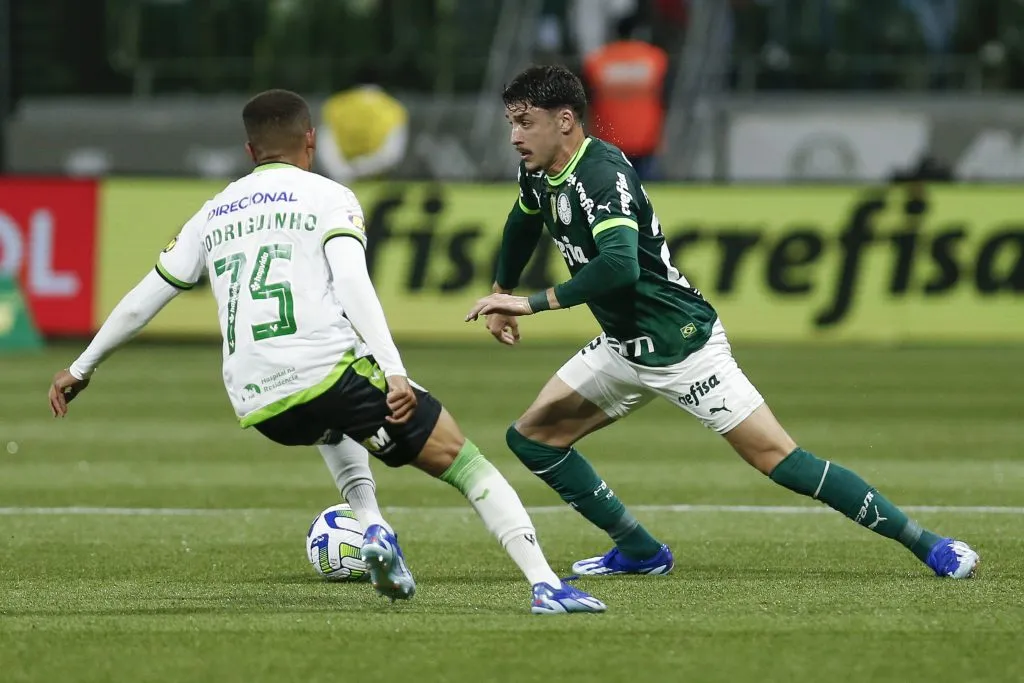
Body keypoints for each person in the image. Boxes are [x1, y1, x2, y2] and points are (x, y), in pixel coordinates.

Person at [47, 88, 606, 616]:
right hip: (327, 371)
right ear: (310, 141)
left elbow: (144, 299)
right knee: (467, 464)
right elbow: (352, 285)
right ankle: (546, 585)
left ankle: (370, 525)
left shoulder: (214, 212)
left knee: (332, 425)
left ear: (250, 151)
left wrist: (80, 367)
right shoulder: (329, 196)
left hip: (258, 402)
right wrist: (395, 371)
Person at [465, 65, 980, 580]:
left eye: (525, 122)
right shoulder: (539, 169)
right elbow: (524, 217)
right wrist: (501, 289)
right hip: (624, 346)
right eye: (511, 123)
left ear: (565, 121)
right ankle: (641, 552)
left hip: (681, 345)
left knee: (779, 459)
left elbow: (619, 267)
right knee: (533, 438)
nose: (514, 136)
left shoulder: (602, 174)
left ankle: (931, 545)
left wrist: (529, 304)